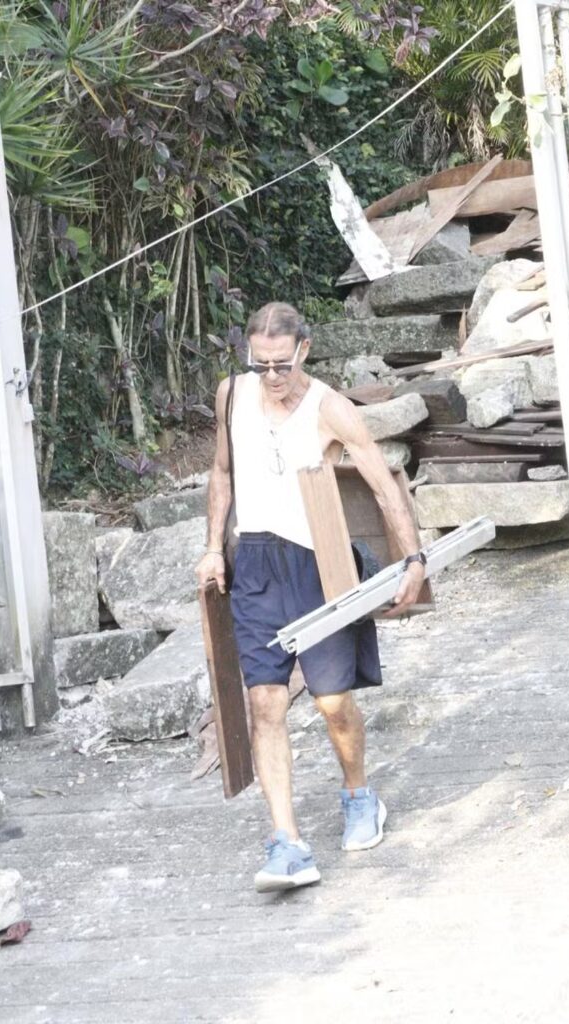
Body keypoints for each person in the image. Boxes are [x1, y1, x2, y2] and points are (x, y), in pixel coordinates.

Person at [196, 301, 426, 893]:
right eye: (260, 363)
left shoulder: (330, 408)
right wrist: (214, 546)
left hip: (318, 565)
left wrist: (414, 560)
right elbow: (222, 473)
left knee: (332, 703)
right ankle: (288, 843)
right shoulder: (232, 396)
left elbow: (382, 482)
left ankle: (358, 794)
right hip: (255, 566)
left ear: (304, 348)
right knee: (266, 705)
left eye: (281, 363)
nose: (271, 376)